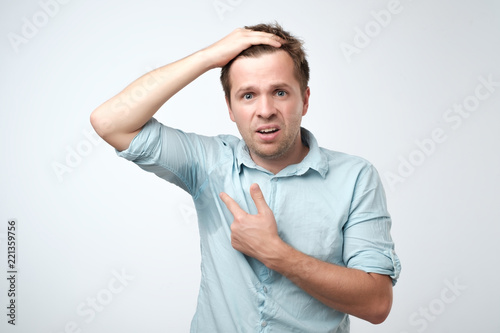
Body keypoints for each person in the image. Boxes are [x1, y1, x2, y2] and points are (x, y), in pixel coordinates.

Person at [90, 23, 401, 332]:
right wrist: (208, 57)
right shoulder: (208, 162)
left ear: (305, 100)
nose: (265, 110)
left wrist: (278, 254)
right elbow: (109, 122)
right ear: (230, 107)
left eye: (280, 92)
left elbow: (376, 304)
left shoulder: (356, 178)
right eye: (248, 95)